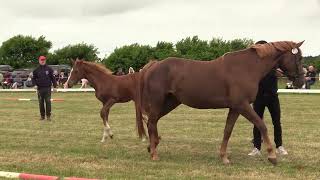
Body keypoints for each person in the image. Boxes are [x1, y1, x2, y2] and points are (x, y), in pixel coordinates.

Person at [248, 40, 288, 156]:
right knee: (257, 122)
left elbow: (283, 70)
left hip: (272, 96)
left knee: (276, 122)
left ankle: (279, 146)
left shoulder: (274, 61)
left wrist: (280, 72)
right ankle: (256, 148)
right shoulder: (254, 63)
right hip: (258, 97)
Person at [32, 56, 57, 121]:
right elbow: (33, 79)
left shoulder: (49, 69)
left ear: (45, 60)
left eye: (44, 60)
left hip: (48, 88)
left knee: (48, 102)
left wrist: (55, 86)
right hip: (40, 89)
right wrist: (34, 85)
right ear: (39, 61)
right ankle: (42, 116)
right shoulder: (36, 70)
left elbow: (53, 78)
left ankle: (48, 116)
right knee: (41, 103)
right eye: (41, 60)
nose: (42, 61)